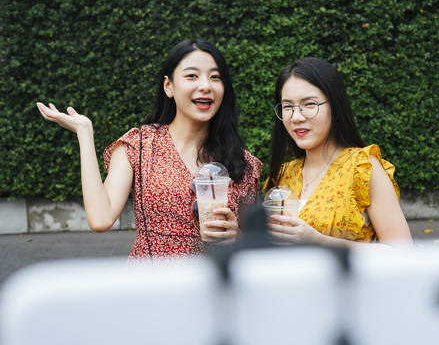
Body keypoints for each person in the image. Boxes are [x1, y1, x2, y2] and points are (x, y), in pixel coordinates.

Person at [37, 39, 262, 261]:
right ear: (168, 86)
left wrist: (239, 237)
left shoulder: (244, 163)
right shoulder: (140, 145)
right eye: (192, 75)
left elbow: (256, 251)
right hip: (151, 287)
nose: (205, 85)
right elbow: (100, 218)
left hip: (214, 291)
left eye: (215, 77)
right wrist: (84, 133)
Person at [265, 57, 412, 248]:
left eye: (309, 104)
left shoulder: (362, 169)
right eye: (288, 107)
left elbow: (401, 252)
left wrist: (317, 240)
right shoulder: (282, 176)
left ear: (335, 106)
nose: (296, 117)